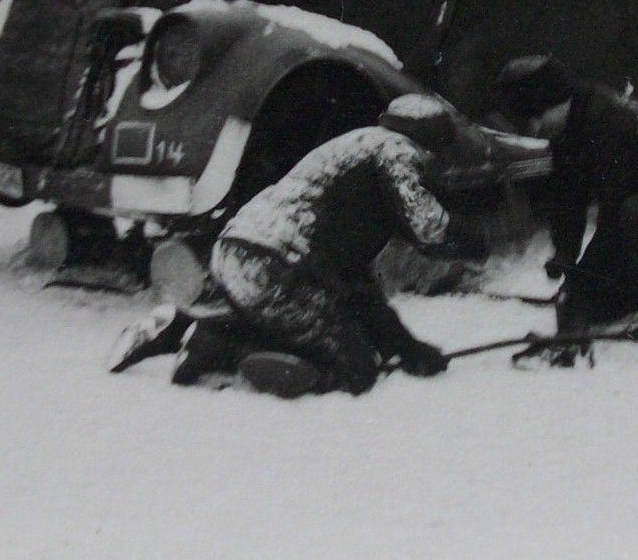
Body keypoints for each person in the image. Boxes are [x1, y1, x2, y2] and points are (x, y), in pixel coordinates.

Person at [109, 93, 487, 397]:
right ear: (431, 141)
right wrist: (469, 239)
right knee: (354, 370)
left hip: (240, 252)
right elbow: (427, 224)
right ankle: (217, 348)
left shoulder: (353, 152)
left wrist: (406, 348)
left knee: (299, 322)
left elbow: (358, 291)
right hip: (279, 265)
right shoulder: (397, 150)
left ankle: (183, 329)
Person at [496, 55, 638, 343]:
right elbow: (568, 200)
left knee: (636, 218)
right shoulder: (569, 125)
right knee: (597, 306)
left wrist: (581, 283)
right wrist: (565, 256)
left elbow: (613, 220)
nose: (534, 130)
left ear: (553, 103)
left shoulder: (607, 123)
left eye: (534, 119)